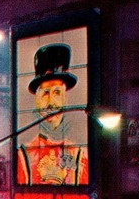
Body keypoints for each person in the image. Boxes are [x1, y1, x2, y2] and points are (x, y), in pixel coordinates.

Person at [16, 43, 88, 186]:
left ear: (65, 98)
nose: (51, 102)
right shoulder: (24, 155)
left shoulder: (80, 154)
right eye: (45, 93)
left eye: (57, 92)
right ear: (37, 100)